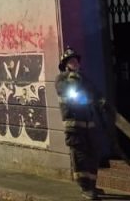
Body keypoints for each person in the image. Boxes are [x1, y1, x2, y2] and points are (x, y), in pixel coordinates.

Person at [56, 47, 106, 200]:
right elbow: (71, 93)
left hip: (89, 125)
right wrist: (73, 78)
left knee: (93, 156)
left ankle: (92, 185)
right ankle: (85, 188)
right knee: (80, 158)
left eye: (76, 60)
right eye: (71, 61)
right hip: (74, 127)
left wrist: (101, 101)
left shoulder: (84, 78)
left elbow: (95, 93)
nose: (75, 63)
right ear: (66, 65)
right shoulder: (61, 80)